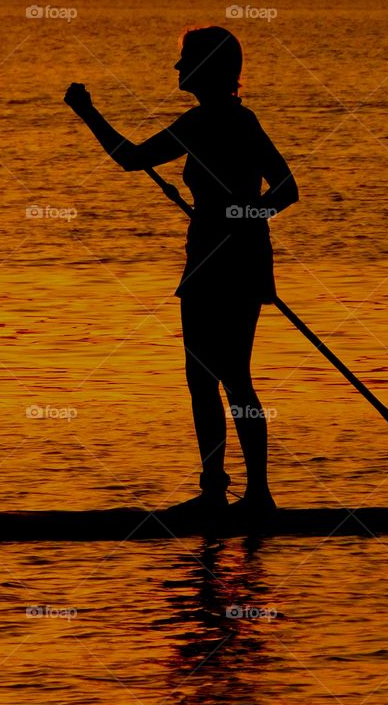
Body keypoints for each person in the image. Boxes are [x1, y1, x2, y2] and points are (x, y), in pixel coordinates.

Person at [64, 26, 299, 518]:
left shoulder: (215, 123)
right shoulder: (217, 121)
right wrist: (240, 218)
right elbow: (281, 191)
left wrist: (88, 113)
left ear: (207, 69)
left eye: (185, 60)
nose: (176, 69)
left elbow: (286, 188)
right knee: (202, 377)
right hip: (213, 259)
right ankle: (218, 491)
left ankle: (256, 496)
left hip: (233, 261)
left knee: (231, 376)